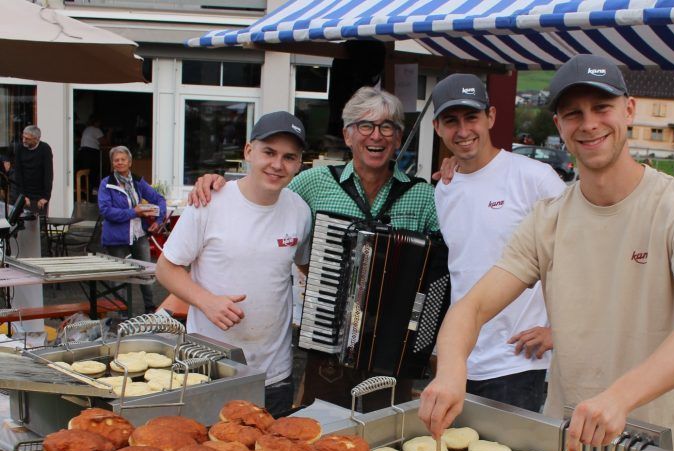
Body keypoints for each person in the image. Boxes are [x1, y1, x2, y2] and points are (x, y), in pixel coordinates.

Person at [419, 54, 674, 451]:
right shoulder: (548, 219)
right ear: (559, 126)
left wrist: (619, 397)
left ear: (629, 110)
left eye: (602, 108)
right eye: (573, 113)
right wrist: (451, 368)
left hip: (655, 439)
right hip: (565, 435)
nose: (589, 123)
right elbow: (472, 306)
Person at [190, 87, 439, 410]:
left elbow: (441, 269)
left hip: (393, 350)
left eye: (387, 127)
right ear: (348, 136)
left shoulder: (423, 196)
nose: (376, 135)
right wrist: (216, 183)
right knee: (320, 431)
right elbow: (264, 199)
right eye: (365, 126)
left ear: (397, 138)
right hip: (328, 344)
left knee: (385, 434)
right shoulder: (314, 183)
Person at [157, 112, 311, 417]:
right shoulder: (210, 202)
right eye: (269, 152)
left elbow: (304, 268)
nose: (277, 165)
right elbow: (165, 268)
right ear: (248, 151)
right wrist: (207, 301)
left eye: (289, 157)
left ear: (299, 163)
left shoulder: (299, 211)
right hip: (211, 369)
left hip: (274, 375)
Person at [430, 73, 565, 412]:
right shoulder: (444, 188)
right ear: (437, 128)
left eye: (471, 118)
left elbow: (582, 259)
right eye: (451, 121)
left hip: (520, 362)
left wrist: (557, 332)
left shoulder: (534, 178)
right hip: (464, 360)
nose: (462, 131)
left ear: (490, 117)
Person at [98, 146, 166, 314]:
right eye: (116, 160)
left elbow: (159, 199)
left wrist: (159, 219)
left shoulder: (137, 181)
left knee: (146, 273)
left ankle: (150, 308)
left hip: (139, 234)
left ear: (129, 162)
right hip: (116, 237)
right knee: (120, 276)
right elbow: (105, 211)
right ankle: (121, 312)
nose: (120, 162)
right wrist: (132, 212)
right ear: (112, 163)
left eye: (123, 159)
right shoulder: (106, 183)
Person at [14, 125, 53, 213]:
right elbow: (18, 173)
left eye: (27, 139)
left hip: (40, 196)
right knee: (24, 224)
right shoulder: (20, 148)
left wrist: (46, 197)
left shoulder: (45, 149)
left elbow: (48, 174)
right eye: (23, 137)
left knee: (40, 224)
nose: (24, 140)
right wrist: (22, 196)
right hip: (24, 193)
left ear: (36, 139)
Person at [78, 116, 107, 197]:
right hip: (91, 153)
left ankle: (84, 192)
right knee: (93, 172)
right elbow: (104, 142)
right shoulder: (96, 130)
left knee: (84, 172)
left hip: (82, 152)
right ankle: (92, 191)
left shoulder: (87, 129)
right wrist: (109, 133)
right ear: (96, 122)